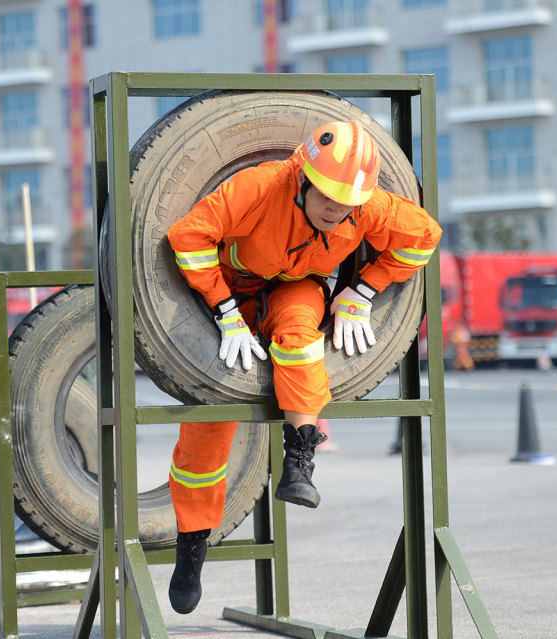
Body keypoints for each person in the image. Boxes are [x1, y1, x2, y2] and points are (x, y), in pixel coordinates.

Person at [163, 119, 443, 614]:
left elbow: (424, 235)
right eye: (328, 199)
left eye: (347, 204)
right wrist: (223, 310)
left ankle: (299, 460)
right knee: (208, 422)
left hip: (297, 288)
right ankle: (192, 546)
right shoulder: (259, 186)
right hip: (230, 289)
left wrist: (363, 290)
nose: (337, 212)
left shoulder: (364, 205)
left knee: (300, 342)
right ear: (303, 180)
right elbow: (188, 237)